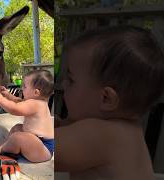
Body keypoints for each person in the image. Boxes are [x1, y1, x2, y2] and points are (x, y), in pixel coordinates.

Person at [56, 26, 164, 179]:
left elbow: (49, 150)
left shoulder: (101, 134)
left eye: (71, 80)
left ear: (106, 98)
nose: (64, 84)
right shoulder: (129, 131)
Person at [0, 69, 54, 162]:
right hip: (37, 143)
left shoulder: (36, 104)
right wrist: (7, 95)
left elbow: (15, 108)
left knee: (17, 137)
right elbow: (18, 101)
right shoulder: (35, 102)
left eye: (25, 86)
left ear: (36, 92)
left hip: (43, 149)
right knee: (17, 128)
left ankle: (3, 149)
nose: (22, 88)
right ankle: (6, 144)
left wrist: (0, 99)